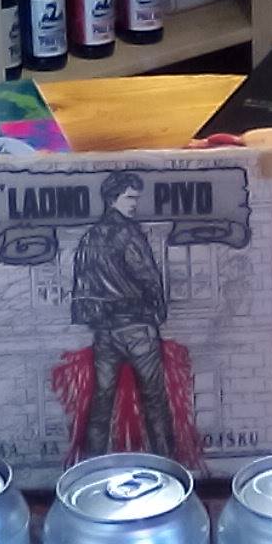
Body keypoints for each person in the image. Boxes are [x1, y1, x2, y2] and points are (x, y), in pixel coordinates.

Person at [70, 171, 174, 458]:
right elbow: (147, 276)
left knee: (101, 403)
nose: (134, 204)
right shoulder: (128, 233)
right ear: (112, 199)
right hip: (137, 327)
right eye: (129, 198)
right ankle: (169, 463)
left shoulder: (90, 237)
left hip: (105, 331)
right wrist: (158, 311)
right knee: (154, 401)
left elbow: (82, 283)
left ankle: (90, 465)